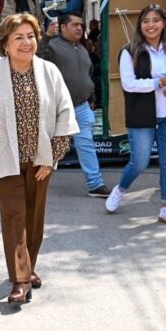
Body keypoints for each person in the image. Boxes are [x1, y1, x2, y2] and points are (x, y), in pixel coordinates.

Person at [0, 13, 78, 304]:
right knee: (15, 216)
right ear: (5, 43)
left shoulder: (49, 71)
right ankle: (20, 280)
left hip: (40, 160)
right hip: (4, 160)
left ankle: (29, 265)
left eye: (31, 36)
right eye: (18, 37)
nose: (26, 43)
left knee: (34, 218)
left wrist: (51, 158)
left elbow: (65, 113)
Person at [105, 4, 166, 226]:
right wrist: (159, 82)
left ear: (164, 23)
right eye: (146, 21)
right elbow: (128, 84)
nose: (151, 25)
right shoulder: (130, 51)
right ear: (140, 25)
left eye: (156, 20)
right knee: (139, 161)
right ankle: (120, 189)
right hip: (142, 115)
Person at [40, 13, 111, 197]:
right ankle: (36, 181)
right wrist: (47, 36)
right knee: (47, 147)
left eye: (81, 25)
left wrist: (91, 97)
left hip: (81, 106)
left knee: (86, 143)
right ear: (63, 27)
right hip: (56, 108)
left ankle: (95, 184)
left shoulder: (82, 48)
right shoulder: (52, 46)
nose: (79, 28)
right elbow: (37, 58)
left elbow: (86, 75)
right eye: (74, 25)